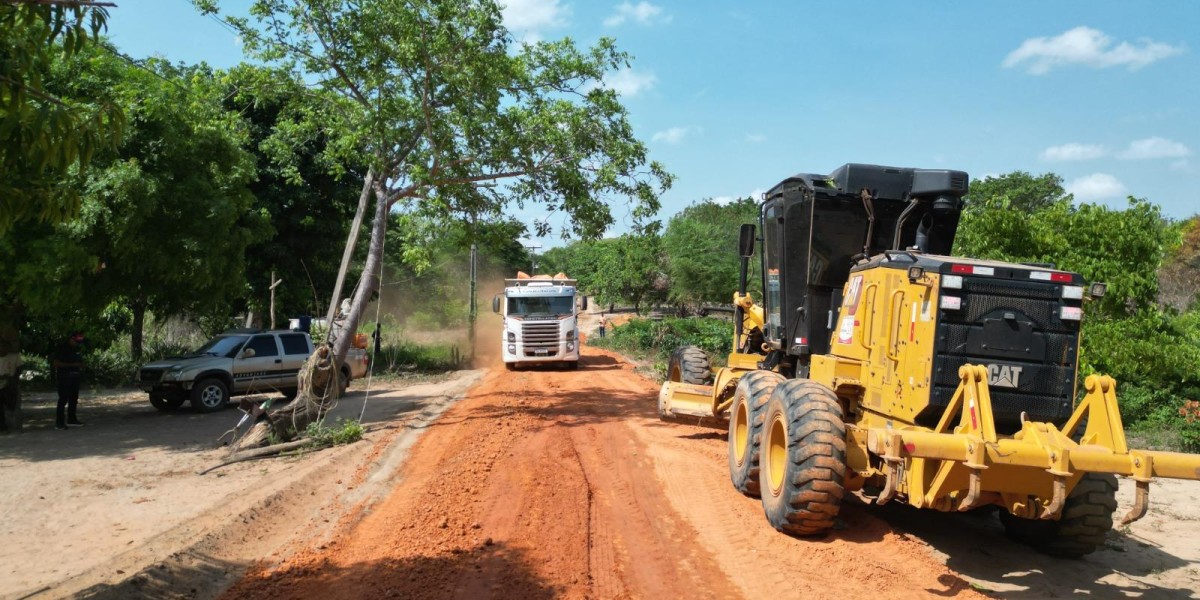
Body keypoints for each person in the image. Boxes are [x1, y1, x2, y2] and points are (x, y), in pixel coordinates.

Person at [52, 332, 85, 430]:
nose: (77, 343)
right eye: (76, 341)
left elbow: (79, 361)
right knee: (63, 399)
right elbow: (56, 363)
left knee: (74, 398)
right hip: (64, 377)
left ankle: (72, 419)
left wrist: (80, 365)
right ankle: (59, 423)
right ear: (71, 339)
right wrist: (73, 365)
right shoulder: (62, 348)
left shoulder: (76, 349)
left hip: (75, 376)